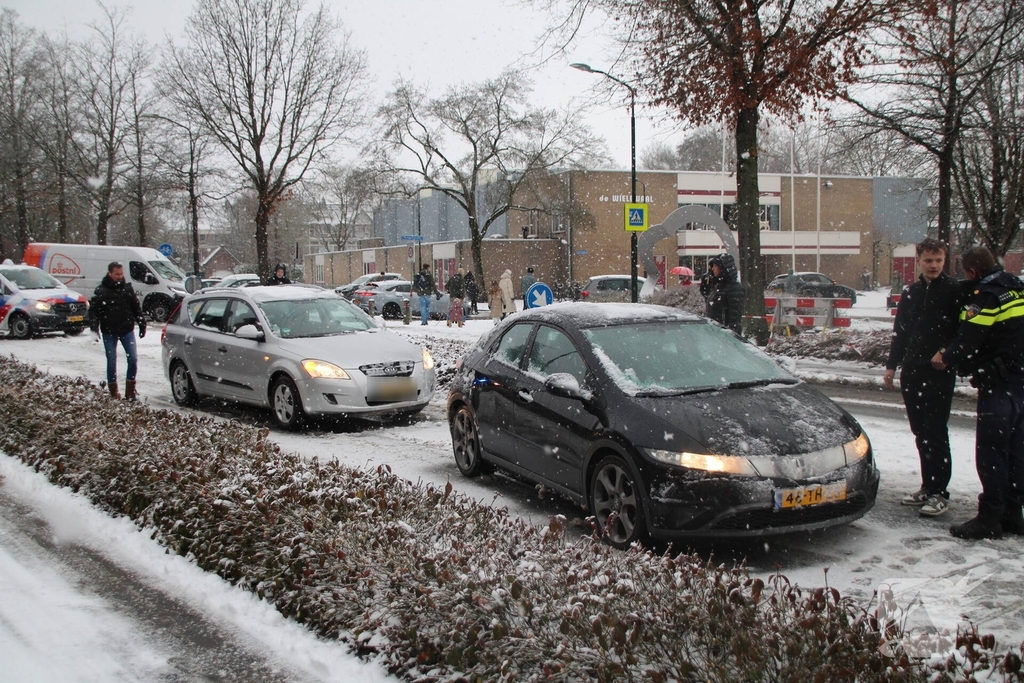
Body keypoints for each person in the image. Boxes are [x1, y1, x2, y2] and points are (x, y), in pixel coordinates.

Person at [932, 246, 1024, 540]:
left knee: (992, 451)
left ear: (973, 272)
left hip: (999, 384)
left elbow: (970, 337)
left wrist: (945, 356)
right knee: (1016, 450)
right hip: (1020, 381)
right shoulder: (1017, 286)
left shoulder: (986, 296)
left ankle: (989, 518)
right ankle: (1013, 513)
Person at [883, 238, 963, 517]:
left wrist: (946, 352)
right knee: (920, 432)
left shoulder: (955, 291)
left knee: (936, 431)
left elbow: (963, 332)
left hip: (939, 373)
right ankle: (927, 486)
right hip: (913, 371)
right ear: (919, 260)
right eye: (928, 260)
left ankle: (940, 492)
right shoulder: (911, 292)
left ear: (945, 260)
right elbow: (900, 332)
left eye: (939, 260)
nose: (934, 265)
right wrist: (892, 365)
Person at [89, 261, 145, 401]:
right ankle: (113, 392)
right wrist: (94, 328)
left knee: (133, 359)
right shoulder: (101, 291)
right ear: (110, 273)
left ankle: (130, 392)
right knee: (112, 361)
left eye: (121, 274)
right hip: (109, 331)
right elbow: (94, 312)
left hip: (127, 329)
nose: (119, 277)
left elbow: (135, 307)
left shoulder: (127, 289)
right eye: (116, 274)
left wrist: (141, 322)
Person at [703, 253, 745, 334]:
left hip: (724, 336)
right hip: (714, 332)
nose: (713, 269)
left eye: (715, 266)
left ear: (723, 268)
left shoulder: (734, 288)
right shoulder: (717, 287)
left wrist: (729, 336)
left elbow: (734, 317)